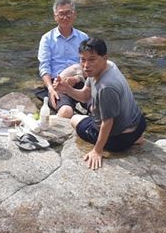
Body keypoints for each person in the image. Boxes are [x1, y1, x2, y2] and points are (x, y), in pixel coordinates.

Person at [54, 38, 146, 171]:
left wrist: (97, 150)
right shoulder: (108, 66)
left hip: (119, 139)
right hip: (139, 125)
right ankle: (135, 138)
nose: (86, 65)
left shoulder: (106, 87)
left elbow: (107, 123)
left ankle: (128, 141)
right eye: (83, 59)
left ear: (104, 58)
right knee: (93, 109)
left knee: (74, 119)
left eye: (92, 60)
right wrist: (67, 89)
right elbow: (85, 95)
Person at [37, 0, 88, 118]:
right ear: (55, 16)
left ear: (74, 15)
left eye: (68, 13)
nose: (65, 17)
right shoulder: (47, 39)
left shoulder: (83, 38)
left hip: (79, 81)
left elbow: (89, 66)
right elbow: (44, 67)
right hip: (57, 83)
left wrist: (76, 79)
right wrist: (51, 89)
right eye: (61, 14)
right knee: (66, 111)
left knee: (99, 107)